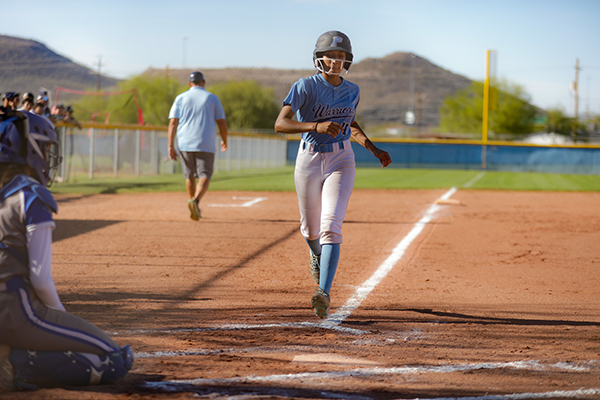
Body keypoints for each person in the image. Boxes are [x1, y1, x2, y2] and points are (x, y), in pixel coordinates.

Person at [0, 110, 133, 392]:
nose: (48, 155)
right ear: (30, 148)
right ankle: (12, 363)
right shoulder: (31, 195)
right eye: (45, 147)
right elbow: (40, 279)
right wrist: (61, 318)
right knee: (115, 360)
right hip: (15, 310)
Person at [274, 31, 392, 318]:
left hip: (342, 158)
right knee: (310, 230)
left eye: (342, 57)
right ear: (319, 58)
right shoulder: (304, 86)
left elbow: (350, 124)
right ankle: (316, 254)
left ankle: (323, 293)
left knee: (331, 226)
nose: (336, 61)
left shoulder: (353, 90)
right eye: (331, 55)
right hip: (309, 159)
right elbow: (281, 124)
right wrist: (315, 126)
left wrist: (373, 148)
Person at [168, 71, 228, 220]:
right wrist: (224, 139)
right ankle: (195, 201)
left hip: (185, 142)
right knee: (205, 174)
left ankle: (194, 204)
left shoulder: (180, 98)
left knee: (189, 176)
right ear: (204, 82)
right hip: (205, 142)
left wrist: (170, 146)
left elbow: (173, 123)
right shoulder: (212, 98)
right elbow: (221, 122)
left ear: (189, 84)